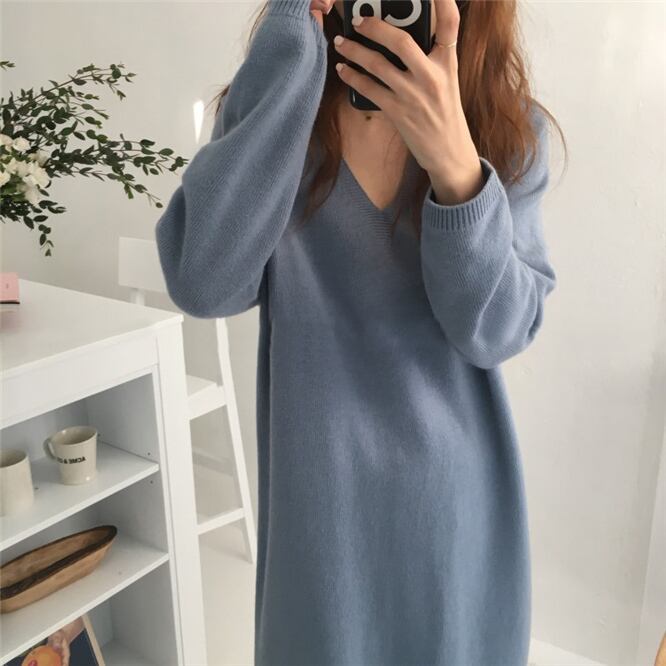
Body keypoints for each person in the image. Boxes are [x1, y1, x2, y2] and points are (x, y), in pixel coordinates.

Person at [155, 0, 564, 663]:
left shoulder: (507, 129)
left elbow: (499, 331)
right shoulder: (280, 113)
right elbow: (203, 281)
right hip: (320, 537)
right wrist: (290, 41)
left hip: (454, 522)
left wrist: (456, 169)